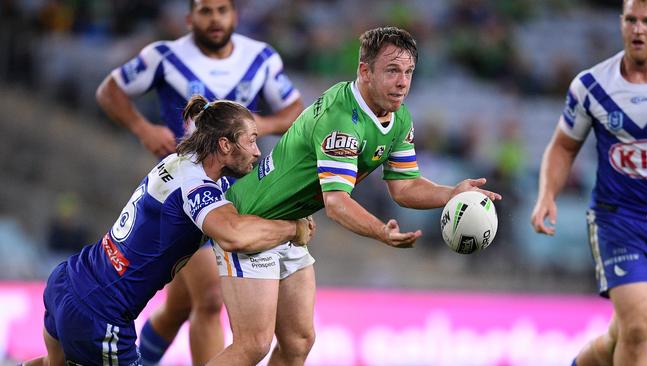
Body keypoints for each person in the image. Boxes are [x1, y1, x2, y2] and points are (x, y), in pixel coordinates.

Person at [204, 26, 502, 366]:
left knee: (299, 342)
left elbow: (404, 186)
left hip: (289, 225)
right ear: (365, 71)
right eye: (392, 71)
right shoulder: (342, 118)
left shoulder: (399, 117)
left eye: (408, 72)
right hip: (251, 220)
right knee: (253, 344)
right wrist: (380, 232)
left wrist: (452, 193)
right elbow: (336, 203)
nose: (402, 82)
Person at [23, 97, 314, 366]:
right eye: (250, 141)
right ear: (225, 145)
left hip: (69, 278)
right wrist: (291, 228)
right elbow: (233, 235)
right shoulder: (196, 185)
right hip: (101, 313)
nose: (257, 150)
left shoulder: (184, 161)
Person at [95, 0, 303, 364]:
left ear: (234, 15)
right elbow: (108, 91)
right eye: (205, 11)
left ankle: (145, 358)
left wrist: (254, 128)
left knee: (180, 306)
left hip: (241, 193)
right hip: (188, 194)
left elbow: (294, 110)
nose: (215, 18)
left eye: (222, 10)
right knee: (208, 298)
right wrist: (142, 128)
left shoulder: (261, 58)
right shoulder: (164, 56)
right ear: (190, 18)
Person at [531, 1, 647, 365]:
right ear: (621, 24)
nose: (639, 29)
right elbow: (564, 147)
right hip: (619, 221)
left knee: (622, 332)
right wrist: (547, 195)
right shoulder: (592, 86)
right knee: (638, 329)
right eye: (631, 20)